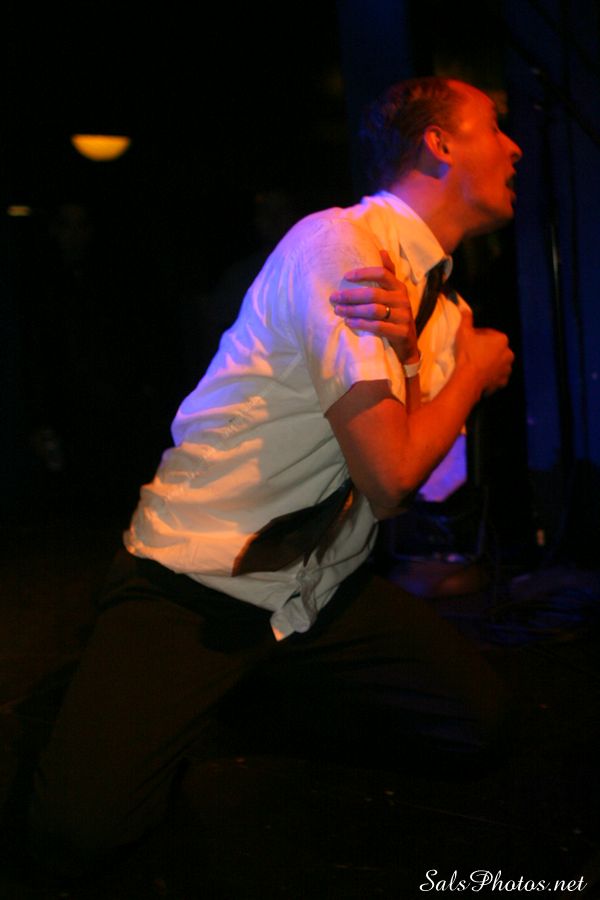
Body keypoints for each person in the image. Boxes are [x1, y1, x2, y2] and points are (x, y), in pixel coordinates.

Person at [28, 76, 521, 875]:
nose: (515, 147)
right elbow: (393, 477)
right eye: (495, 127)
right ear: (439, 143)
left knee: (478, 723)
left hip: (315, 592)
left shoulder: (448, 312)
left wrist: (417, 363)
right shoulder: (342, 247)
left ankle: (216, 701)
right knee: (79, 833)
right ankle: (130, 697)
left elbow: (431, 487)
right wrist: (469, 376)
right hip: (201, 579)